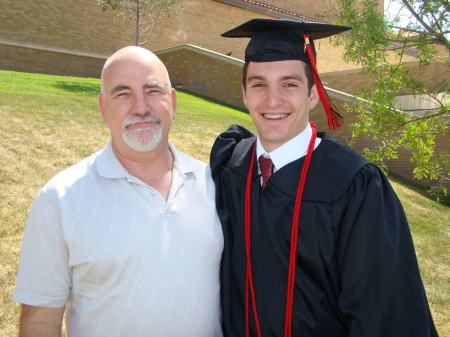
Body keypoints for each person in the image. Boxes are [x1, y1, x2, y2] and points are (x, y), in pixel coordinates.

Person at [210, 18, 438, 337]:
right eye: (259, 84)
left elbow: (388, 315)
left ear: (314, 95)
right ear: (245, 94)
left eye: (289, 84)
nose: (272, 100)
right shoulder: (230, 166)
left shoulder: (354, 187)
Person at [13, 46, 224, 337]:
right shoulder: (60, 200)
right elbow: (41, 320)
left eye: (153, 91)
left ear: (172, 102)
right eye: (122, 93)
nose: (140, 107)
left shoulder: (214, 184)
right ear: (102, 108)